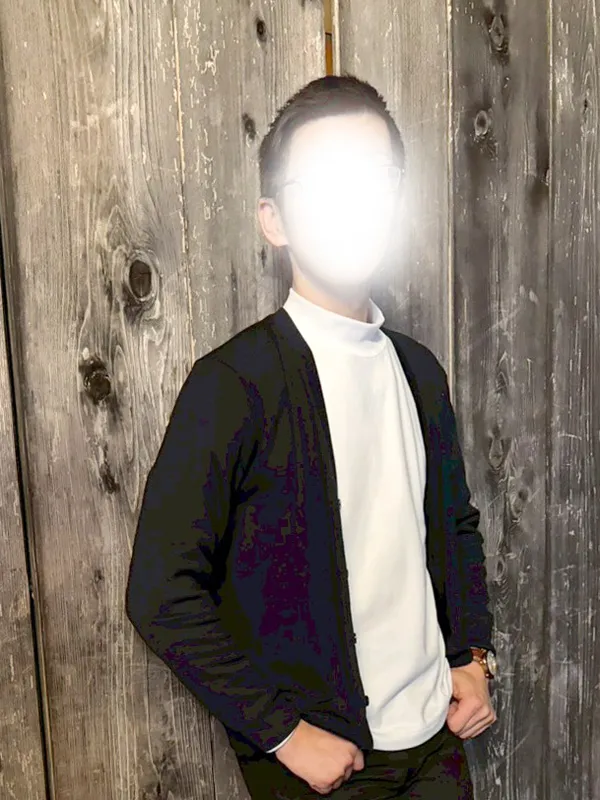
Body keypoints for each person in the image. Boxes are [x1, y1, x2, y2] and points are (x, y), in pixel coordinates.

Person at [125, 74, 497, 799]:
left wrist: (473, 655)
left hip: (439, 749)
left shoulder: (420, 371)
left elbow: (455, 527)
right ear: (275, 219)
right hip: (330, 769)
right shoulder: (233, 384)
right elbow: (160, 592)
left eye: (374, 180)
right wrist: (281, 734)